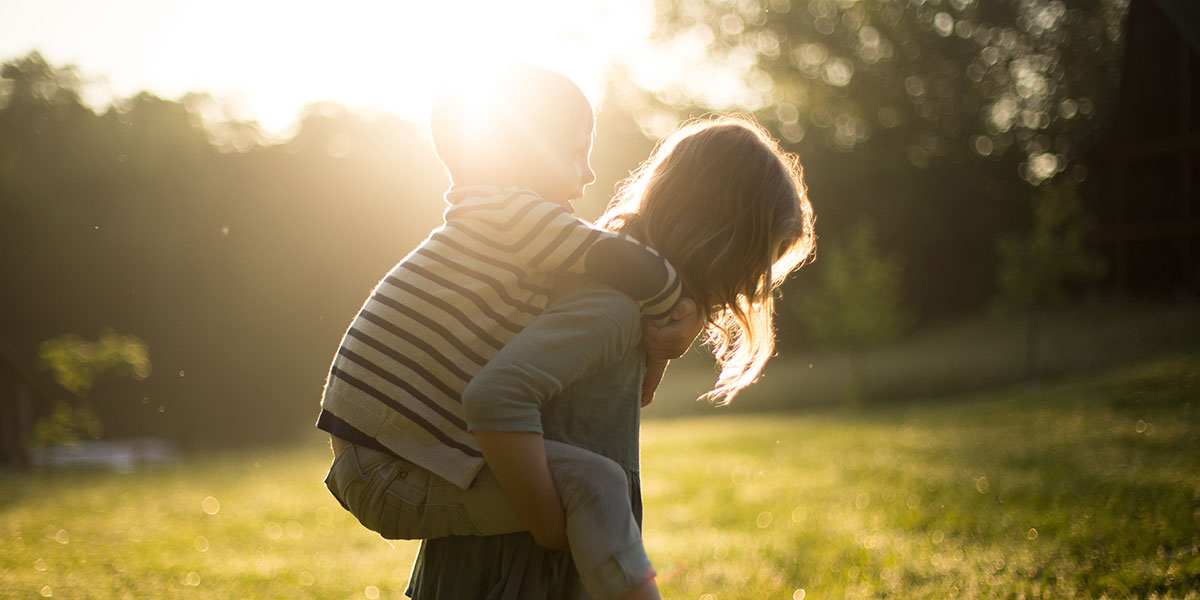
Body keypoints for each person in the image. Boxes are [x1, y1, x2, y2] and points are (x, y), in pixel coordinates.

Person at [319, 64, 702, 600]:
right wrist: (679, 310)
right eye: (573, 151)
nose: (588, 173)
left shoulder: (493, 224)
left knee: (588, 485)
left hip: (384, 459)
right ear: (505, 156)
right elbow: (626, 262)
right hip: (390, 468)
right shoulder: (510, 216)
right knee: (596, 483)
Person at [404, 115, 816, 599]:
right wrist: (549, 526)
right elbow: (497, 396)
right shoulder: (612, 308)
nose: (749, 286)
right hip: (519, 567)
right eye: (755, 262)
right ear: (718, 239)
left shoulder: (629, 299)